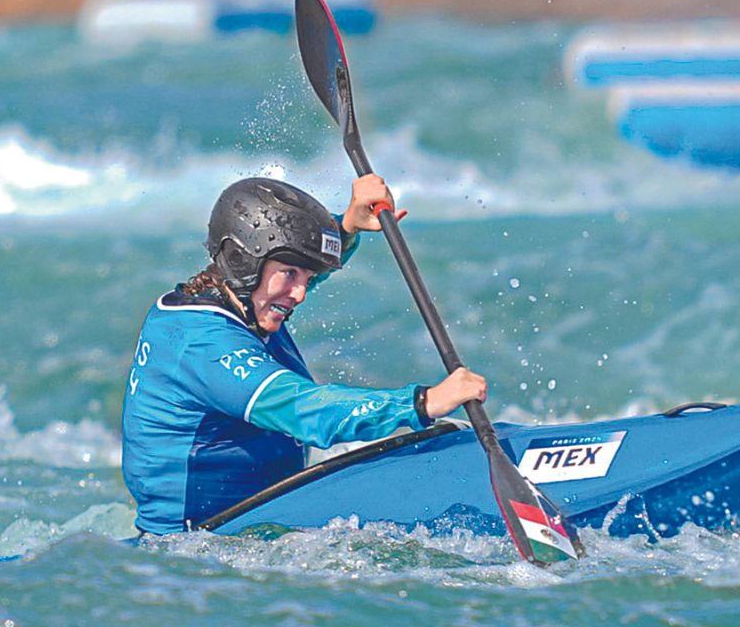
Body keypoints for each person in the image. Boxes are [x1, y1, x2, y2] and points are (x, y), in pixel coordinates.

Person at [121, 173, 487, 535]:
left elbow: (290, 268)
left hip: (259, 517)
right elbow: (303, 410)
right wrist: (421, 403)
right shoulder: (204, 345)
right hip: (198, 547)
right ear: (241, 261)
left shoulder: (240, 303)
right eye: (290, 274)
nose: (300, 294)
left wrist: (348, 226)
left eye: (308, 278)